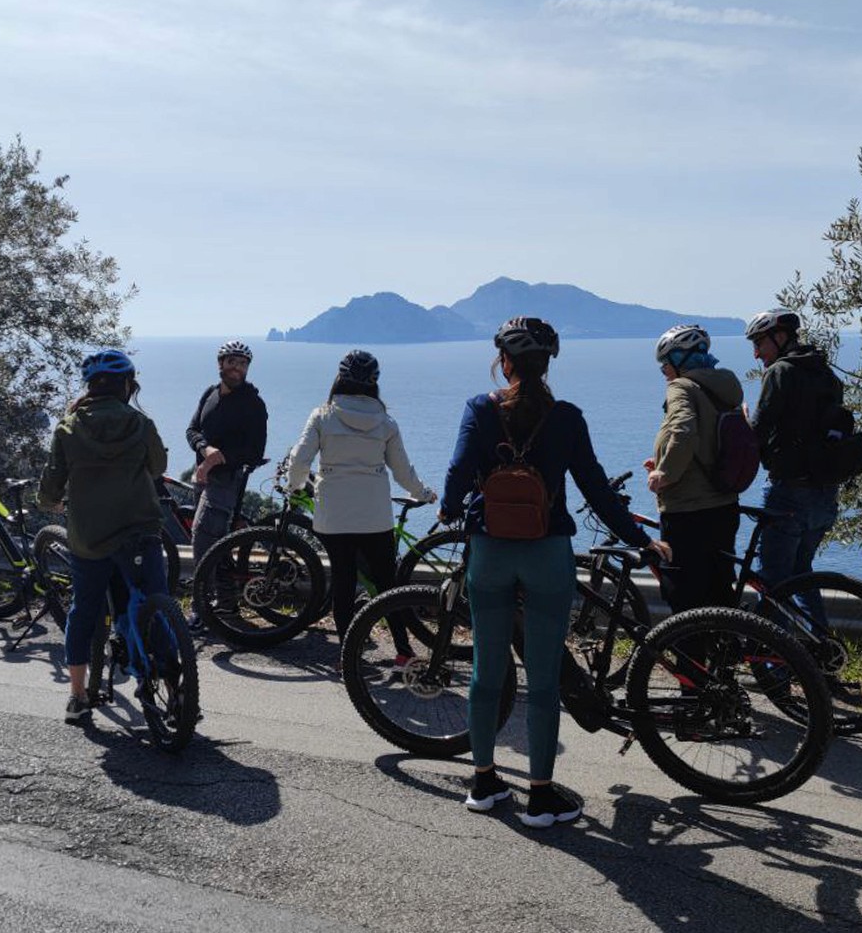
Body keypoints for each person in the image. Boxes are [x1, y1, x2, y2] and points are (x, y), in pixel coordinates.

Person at [439, 316, 672, 828]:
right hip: (548, 553)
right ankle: (541, 798)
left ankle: (483, 782)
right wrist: (641, 541)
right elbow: (595, 489)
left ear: (504, 361)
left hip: (490, 550)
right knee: (543, 681)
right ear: (547, 365)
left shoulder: (480, 408)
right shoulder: (566, 417)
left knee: (485, 671)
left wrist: (449, 507)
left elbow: (456, 473)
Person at [38, 349, 169, 724]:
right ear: (127, 385)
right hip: (139, 531)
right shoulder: (140, 424)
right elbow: (158, 467)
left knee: (83, 610)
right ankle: (174, 684)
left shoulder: (68, 427)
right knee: (155, 602)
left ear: (91, 386)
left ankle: (78, 697)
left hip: (89, 538)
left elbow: (51, 485)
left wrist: (51, 503)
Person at [285, 349, 436, 646]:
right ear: (374, 382)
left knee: (343, 583)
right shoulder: (386, 422)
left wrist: (294, 486)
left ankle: (348, 654)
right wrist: (424, 493)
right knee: (387, 584)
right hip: (375, 516)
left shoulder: (322, 416)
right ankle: (404, 650)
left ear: (339, 378)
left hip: (334, 515)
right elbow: (403, 472)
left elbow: (299, 460)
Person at [746, 308, 842, 624]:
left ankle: (772, 666)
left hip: (787, 492)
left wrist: (742, 421)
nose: (757, 352)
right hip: (825, 493)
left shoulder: (781, 372)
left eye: (760, 342)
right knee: (802, 575)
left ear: (781, 336)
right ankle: (821, 654)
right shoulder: (826, 374)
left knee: (772, 581)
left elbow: (757, 433)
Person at [644, 323, 745, 611]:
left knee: (685, 598)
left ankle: (690, 656)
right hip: (724, 505)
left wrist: (664, 473)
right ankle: (723, 651)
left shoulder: (682, 387)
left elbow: (683, 431)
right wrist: (664, 460)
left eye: (666, 362)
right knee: (719, 589)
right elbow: (710, 442)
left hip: (688, 510)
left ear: (680, 360)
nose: (663, 369)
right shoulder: (724, 389)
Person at [185, 339, 269, 626]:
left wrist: (218, 459)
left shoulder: (253, 404)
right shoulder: (210, 393)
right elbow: (192, 429)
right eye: (232, 361)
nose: (237, 368)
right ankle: (227, 604)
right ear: (220, 364)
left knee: (202, 538)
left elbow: (255, 452)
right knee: (215, 544)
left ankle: (200, 607)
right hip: (203, 476)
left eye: (243, 364)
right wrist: (205, 450)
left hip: (227, 481)